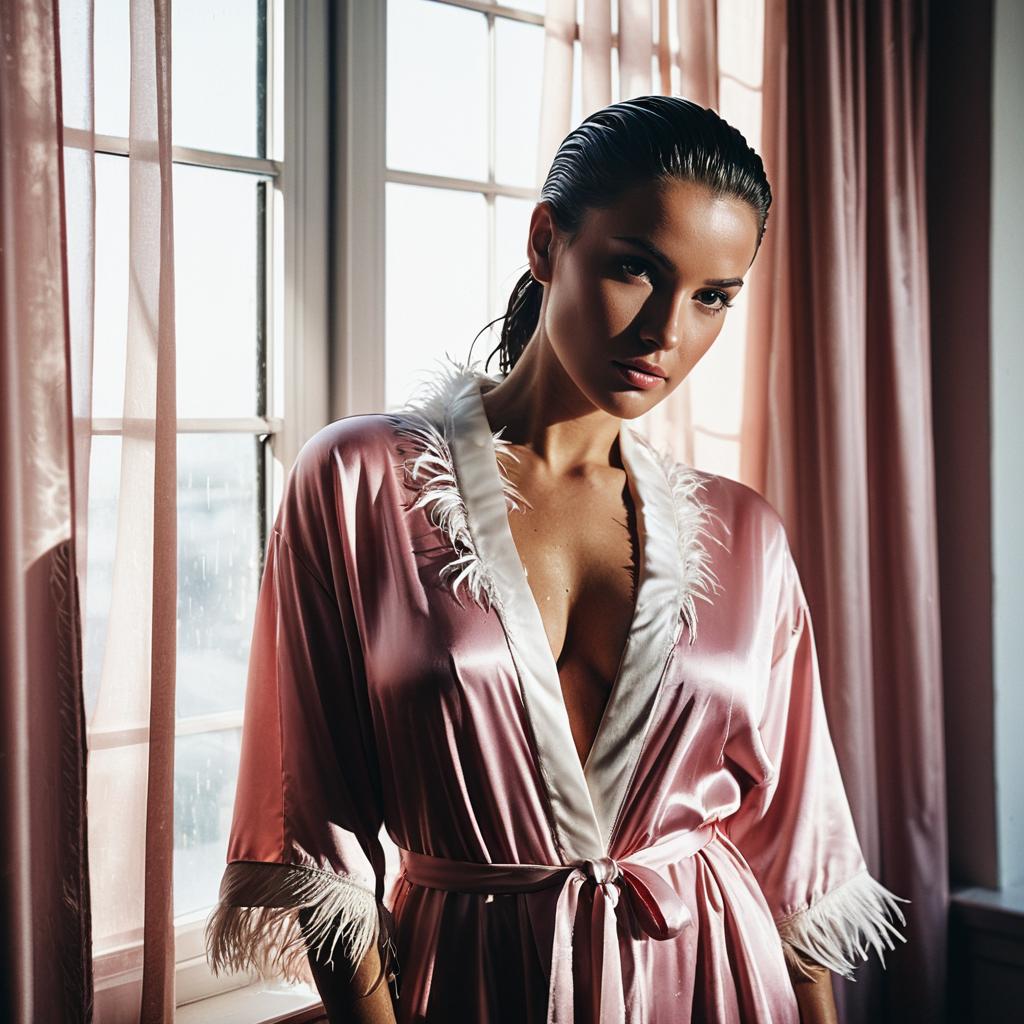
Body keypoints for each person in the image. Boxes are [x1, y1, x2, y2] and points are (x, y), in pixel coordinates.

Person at [204, 96, 909, 1023]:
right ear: (546, 244)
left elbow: (795, 860)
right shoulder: (357, 481)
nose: (667, 331)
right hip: (473, 979)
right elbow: (317, 829)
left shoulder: (747, 535)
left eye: (712, 297)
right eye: (635, 268)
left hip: (715, 980)